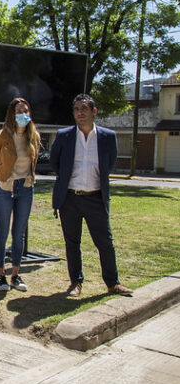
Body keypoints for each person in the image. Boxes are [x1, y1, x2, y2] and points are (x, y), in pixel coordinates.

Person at [50, 94, 133, 298]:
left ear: (94, 111)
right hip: (70, 198)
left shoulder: (107, 137)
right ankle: (75, 282)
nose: (80, 113)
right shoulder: (64, 136)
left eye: (84, 108)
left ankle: (113, 283)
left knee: (105, 242)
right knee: (72, 243)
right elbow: (55, 163)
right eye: (76, 109)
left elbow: (109, 163)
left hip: (95, 198)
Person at [0, 97, 40, 293]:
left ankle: (15, 275)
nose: (23, 115)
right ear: (11, 114)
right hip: (5, 188)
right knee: (2, 232)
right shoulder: (1, 136)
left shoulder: (33, 136)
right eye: (19, 112)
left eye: (26, 111)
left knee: (18, 235)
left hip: (25, 188)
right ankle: (0, 275)